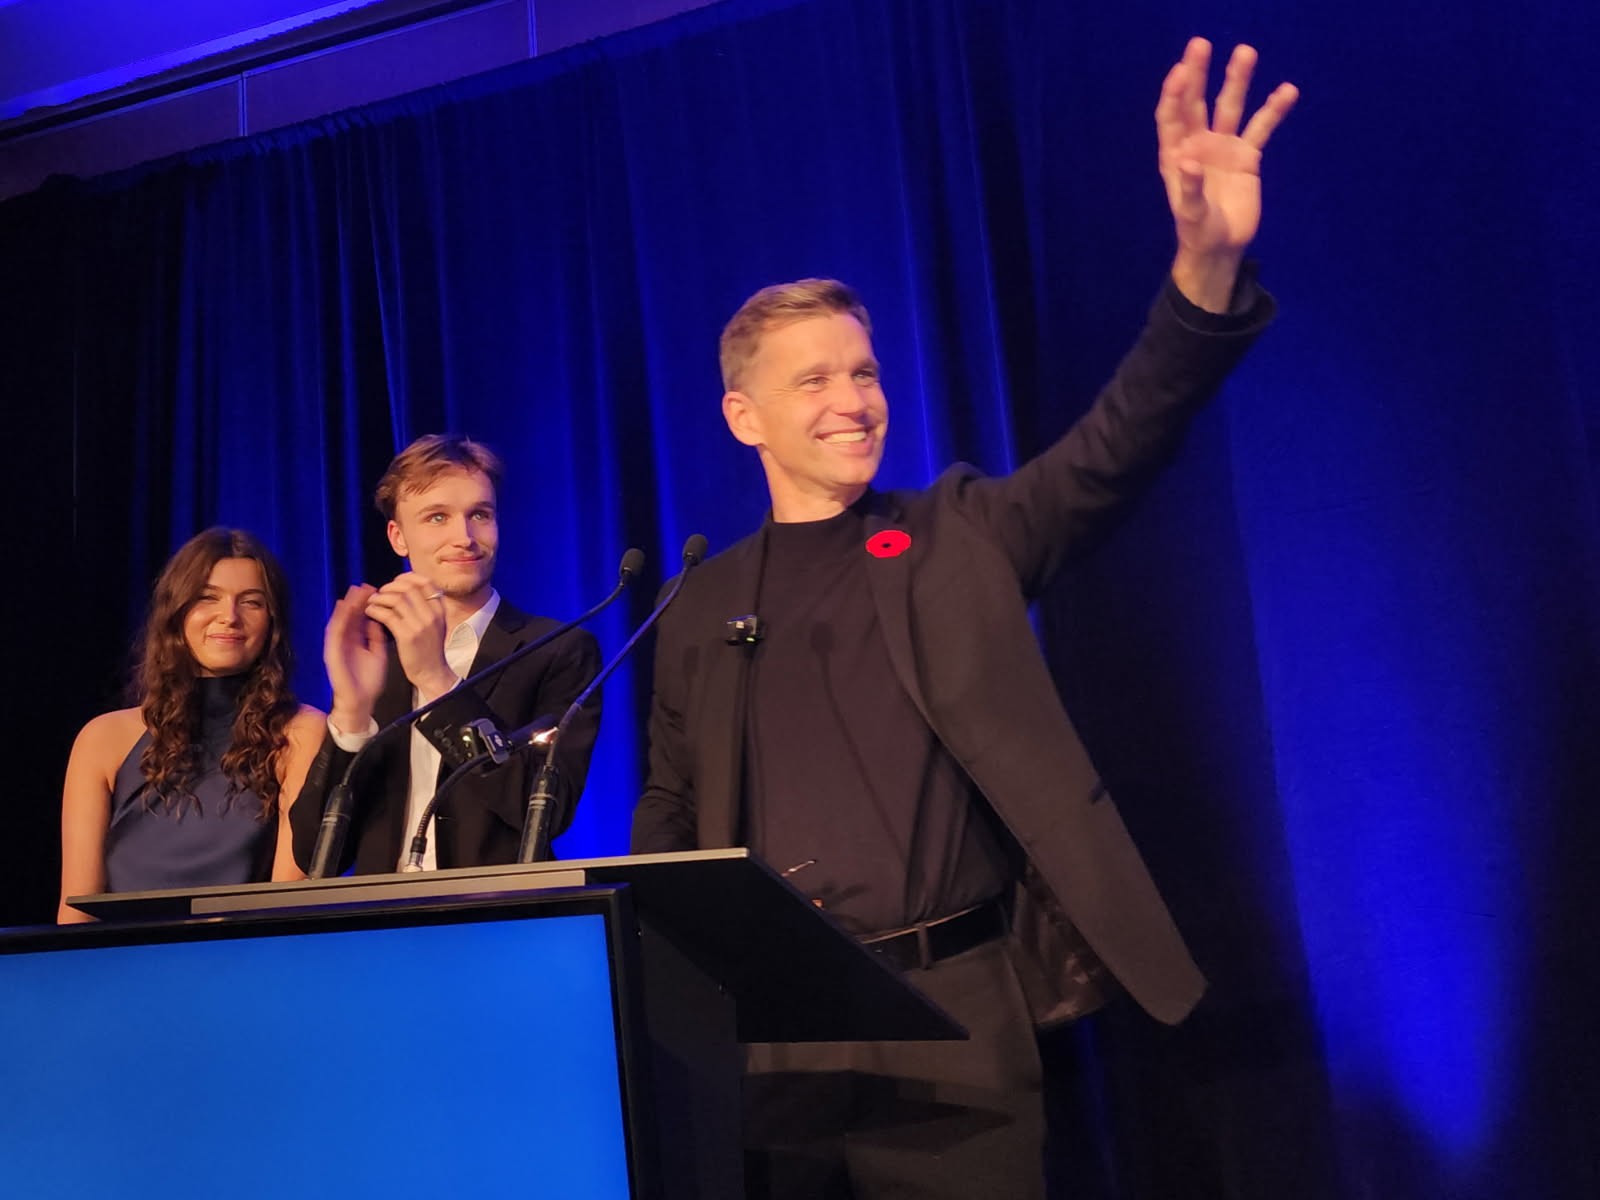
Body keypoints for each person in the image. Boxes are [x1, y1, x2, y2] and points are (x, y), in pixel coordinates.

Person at [631, 37, 1298, 1198]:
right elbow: (671, 809)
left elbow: (1116, 445)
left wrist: (1203, 268)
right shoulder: (704, 601)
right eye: (815, 380)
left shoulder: (956, 534)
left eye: (864, 372)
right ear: (744, 418)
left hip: (955, 1018)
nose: (854, 401)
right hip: (779, 1036)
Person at [290, 434, 601, 875]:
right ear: (398, 537)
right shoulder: (379, 663)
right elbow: (315, 855)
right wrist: (352, 715)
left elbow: (545, 812)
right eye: (437, 517)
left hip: (495, 909)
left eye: (480, 515)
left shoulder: (556, 650)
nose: (464, 537)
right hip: (383, 911)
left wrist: (437, 680)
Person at [58, 528, 325, 922]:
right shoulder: (103, 738)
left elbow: (289, 906)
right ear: (177, 611)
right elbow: (76, 913)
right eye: (207, 597)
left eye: (252, 602)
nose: (229, 616)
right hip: (122, 956)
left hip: (243, 954)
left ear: (273, 622)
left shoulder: (300, 732)